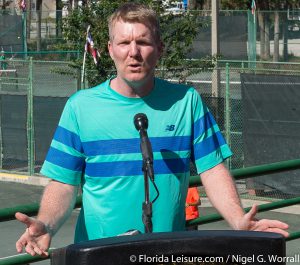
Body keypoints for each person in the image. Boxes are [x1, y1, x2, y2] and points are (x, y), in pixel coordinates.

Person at [15, 2, 289, 257]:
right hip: (100, 254)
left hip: (167, 252)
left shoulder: (186, 101)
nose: (133, 52)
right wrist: (46, 224)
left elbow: (212, 170)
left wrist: (238, 219)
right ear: (110, 49)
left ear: (159, 48)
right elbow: (64, 182)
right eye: (124, 42)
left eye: (143, 42)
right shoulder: (80, 107)